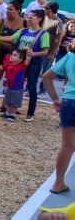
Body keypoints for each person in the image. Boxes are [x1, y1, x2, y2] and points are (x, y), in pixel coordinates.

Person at [0, 9, 49, 122]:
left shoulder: (43, 33)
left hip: (34, 64)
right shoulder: (23, 31)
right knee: (13, 85)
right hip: (20, 64)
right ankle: (9, 110)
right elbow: (12, 38)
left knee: (31, 87)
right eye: (28, 17)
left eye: (31, 17)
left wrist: (33, 54)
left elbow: (45, 51)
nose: (28, 19)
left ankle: (30, 114)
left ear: (39, 19)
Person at [43, 43, 75, 194]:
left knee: (67, 146)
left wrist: (55, 99)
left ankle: (58, 183)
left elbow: (46, 77)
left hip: (69, 102)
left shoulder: (70, 57)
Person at [0, 48, 30, 122]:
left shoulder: (22, 65)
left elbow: (28, 57)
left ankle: (13, 115)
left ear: (20, 59)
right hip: (10, 86)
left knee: (14, 102)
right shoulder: (9, 64)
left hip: (18, 88)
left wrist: (28, 50)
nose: (12, 56)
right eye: (12, 54)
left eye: (15, 55)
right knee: (9, 101)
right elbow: (0, 68)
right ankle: (7, 113)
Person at [40, 1, 64, 95]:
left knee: (46, 72)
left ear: (50, 9)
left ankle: (42, 91)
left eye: (46, 8)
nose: (44, 10)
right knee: (36, 69)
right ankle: (28, 89)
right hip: (39, 48)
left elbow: (58, 39)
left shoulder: (58, 22)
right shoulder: (43, 19)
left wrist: (52, 53)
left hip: (49, 50)